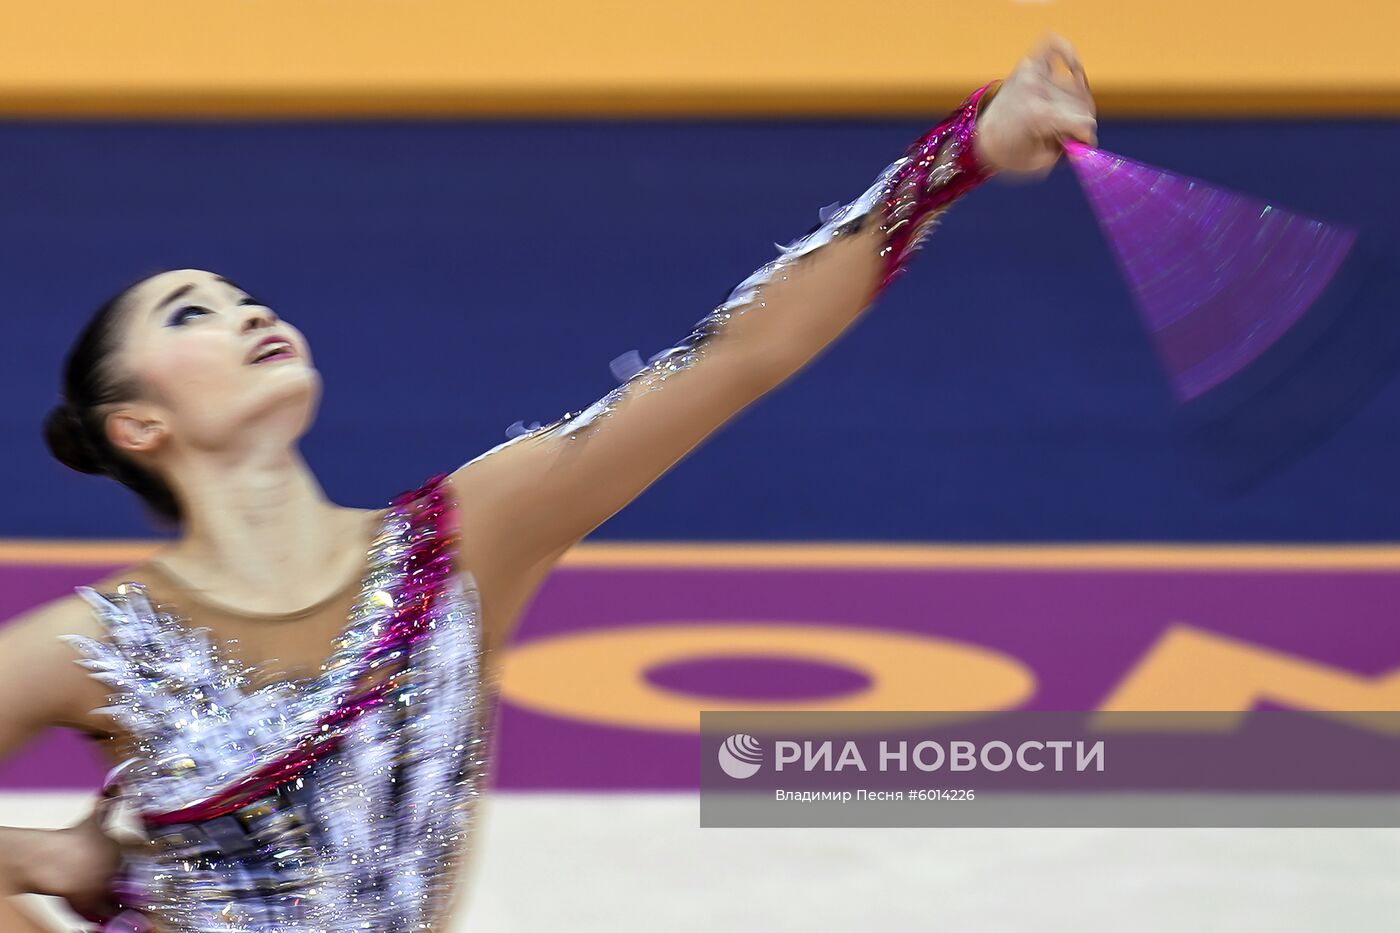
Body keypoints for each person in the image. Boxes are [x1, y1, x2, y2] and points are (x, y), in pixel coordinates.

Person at [0, 35, 1095, 932]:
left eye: (242, 295)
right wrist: (43, 858)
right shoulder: (92, 645)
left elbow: (730, 355)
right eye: (190, 312)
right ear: (136, 424)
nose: (243, 311)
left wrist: (964, 153)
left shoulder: (461, 548)